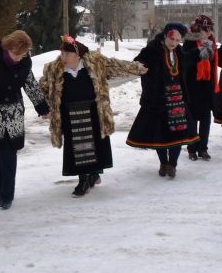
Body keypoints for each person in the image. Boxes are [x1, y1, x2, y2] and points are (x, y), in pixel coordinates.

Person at [39, 35, 147, 197]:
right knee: (78, 149)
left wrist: (137, 68)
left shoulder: (95, 63)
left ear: (77, 55)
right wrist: (45, 108)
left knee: (96, 145)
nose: (63, 58)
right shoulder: (54, 69)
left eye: (66, 54)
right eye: (61, 54)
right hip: (69, 115)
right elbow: (44, 88)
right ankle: (84, 179)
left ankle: (93, 173)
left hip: (94, 113)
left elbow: (117, 65)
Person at [0, 30, 49, 210]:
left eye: (23, 55)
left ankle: (7, 195)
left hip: (13, 113)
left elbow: (30, 84)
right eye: (16, 54)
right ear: (6, 48)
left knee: (8, 154)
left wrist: (42, 107)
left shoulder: (24, 62)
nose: (19, 58)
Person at [127, 23, 199, 178]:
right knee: (161, 135)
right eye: (172, 39)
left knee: (178, 136)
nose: (174, 43)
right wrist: (140, 67)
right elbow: (138, 63)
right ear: (166, 35)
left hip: (178, 99)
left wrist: (201, 52)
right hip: (158, 100)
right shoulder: (152, 50)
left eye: (178, 40)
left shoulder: (179, 52)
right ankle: (163, 163)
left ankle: (172, 164)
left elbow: (188, 61)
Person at [183, 14, 219, 161]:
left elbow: (213, 63)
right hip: (192, 86)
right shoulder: (189, 43)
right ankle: (192, 149)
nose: (209, 33)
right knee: (192, 121)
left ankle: (203, 148)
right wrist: (200, 52)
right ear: (198, 30)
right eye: (206, 30)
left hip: (206, 86)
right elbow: (186, 63)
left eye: (210, 30)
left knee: (205, 119)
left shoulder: (211, 43)